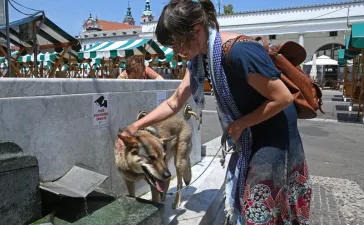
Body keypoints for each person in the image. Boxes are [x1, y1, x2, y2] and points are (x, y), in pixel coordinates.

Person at [120, 0, 312, 224]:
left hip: (273, 132)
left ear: (196, 30)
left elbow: (282, 97)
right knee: (245, 200)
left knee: (261, 205)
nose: (175, 51)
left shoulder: (238, 52)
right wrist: (137, 126)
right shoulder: (199, 59)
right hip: (250, 130)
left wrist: (240, 124)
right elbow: (174, 103)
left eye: (176, 43)